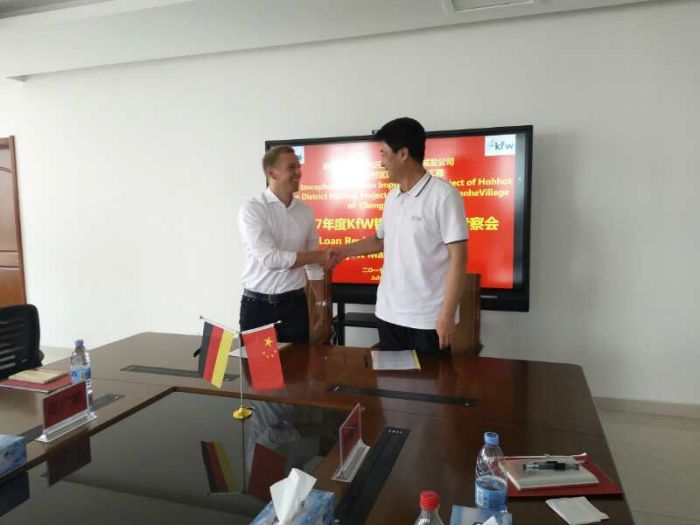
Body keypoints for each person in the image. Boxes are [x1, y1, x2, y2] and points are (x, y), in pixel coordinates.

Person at [328, 118, 467, 352]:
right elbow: (381, 240)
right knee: (391, 375)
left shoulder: (444, 196)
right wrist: (343, 252)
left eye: (384, 154)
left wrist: (447, 315)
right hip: (388, 314)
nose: (381, 162)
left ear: (403, 154)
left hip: (427, 319)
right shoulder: (392, 197)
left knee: (428, 377)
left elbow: (459, 258)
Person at [238, 145, 329, 343]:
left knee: (298, 363)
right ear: (272, 173)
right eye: (291, 167)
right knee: (259, 364)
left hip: (295, 306)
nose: (299, 172)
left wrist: (321, 305)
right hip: (258, 307)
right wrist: (321, 255)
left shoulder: (305, 211)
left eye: (298, 167)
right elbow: (271, 259)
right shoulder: (253, 209)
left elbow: (314, 267)